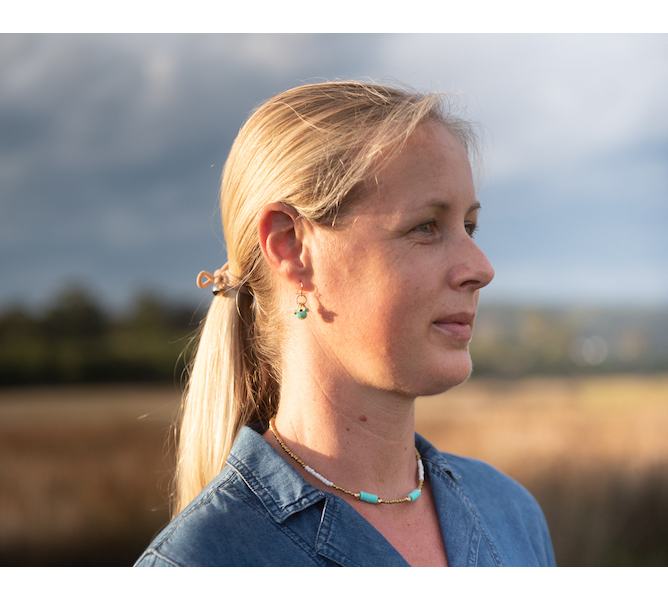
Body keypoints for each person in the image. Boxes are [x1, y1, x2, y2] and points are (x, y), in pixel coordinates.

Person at [135, 81, 556, 567]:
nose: (481, 267)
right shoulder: (199, 566)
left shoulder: (510, 514)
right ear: (292, 246)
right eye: (425, 227)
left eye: (470, 226)